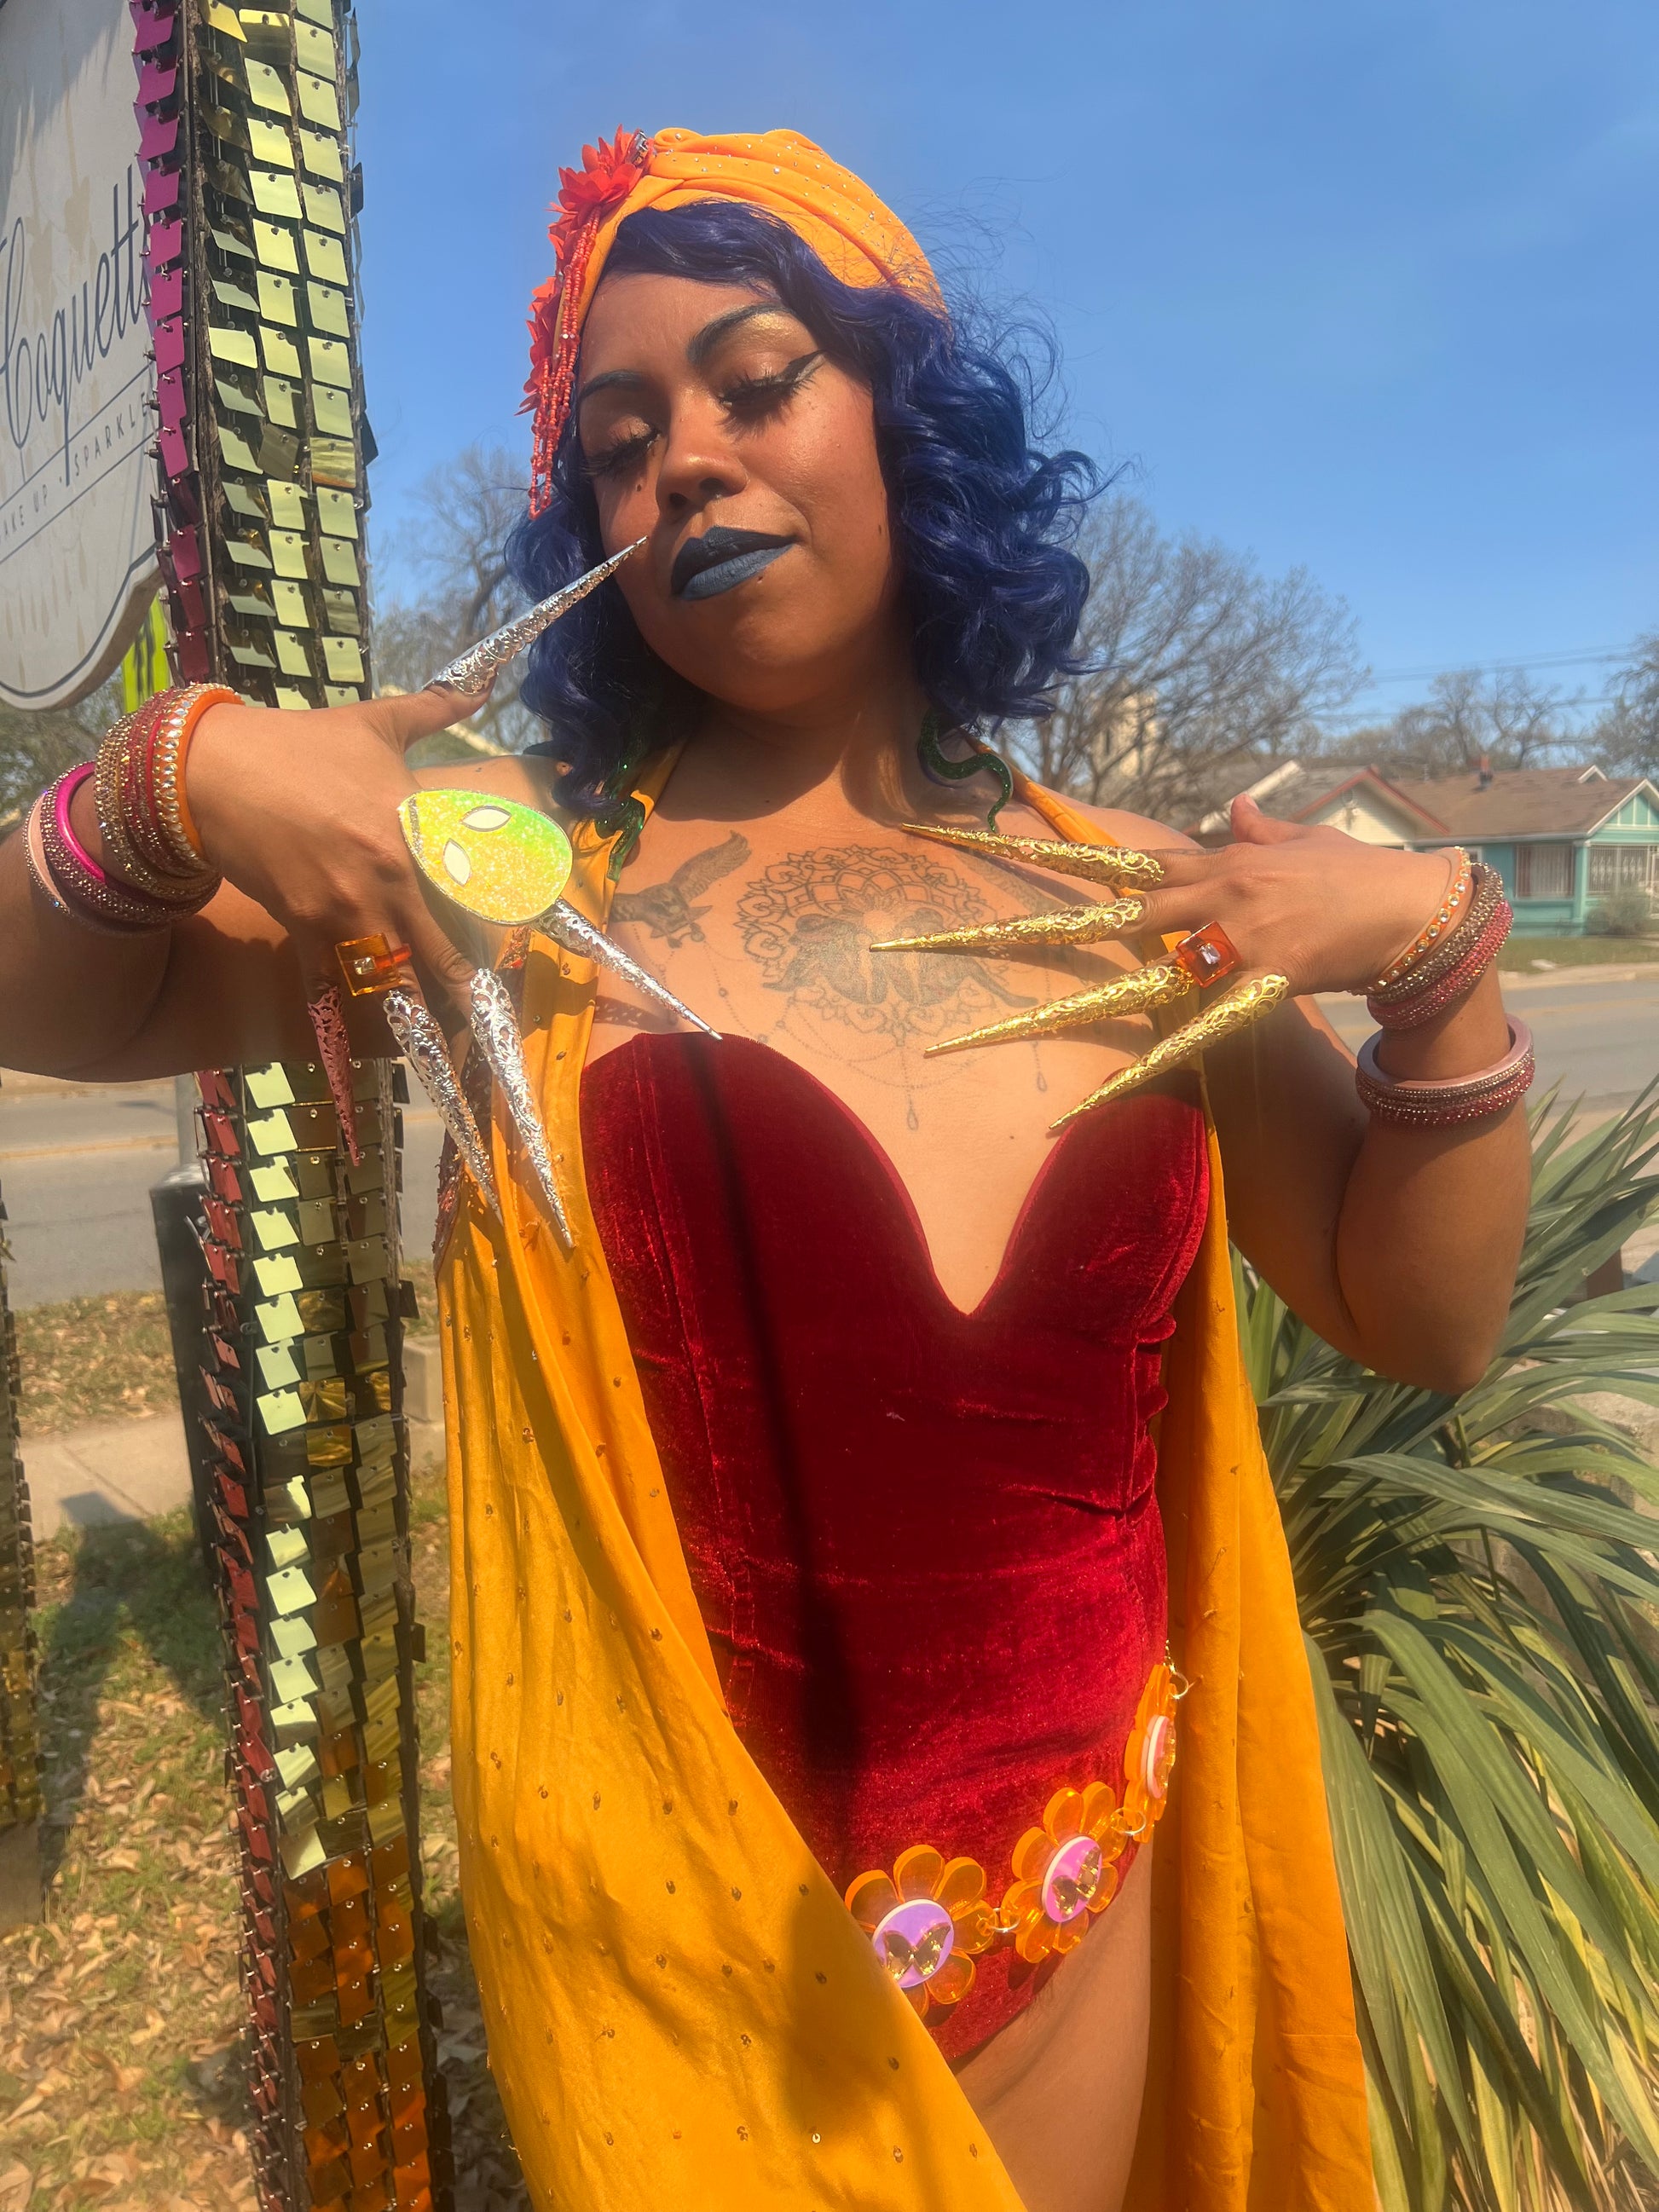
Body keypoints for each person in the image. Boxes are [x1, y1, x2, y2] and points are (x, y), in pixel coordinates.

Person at [0, 127, 1530, 2212]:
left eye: (755, 381)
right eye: (620, 446)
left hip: (1088, 1903)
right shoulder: (502, 886)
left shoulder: (1130, 894)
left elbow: (1421, 1317)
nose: (687, 469)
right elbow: (59, 998)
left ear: (908, 419)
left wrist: (1443, 964)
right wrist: (167, 776)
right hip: (683, 1972)